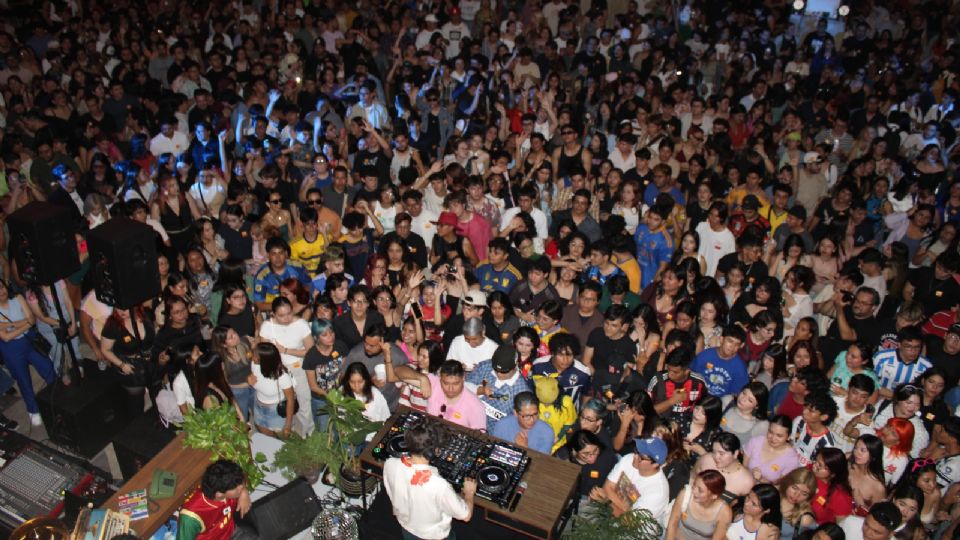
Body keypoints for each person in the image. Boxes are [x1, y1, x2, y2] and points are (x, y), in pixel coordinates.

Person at [383, 419, 478, 540]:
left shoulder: (390, 464)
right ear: (436, 450)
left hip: (406, 529)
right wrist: (469, 493)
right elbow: (466, 516)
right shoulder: (439, 485)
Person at [0, 280, 55, 426]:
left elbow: (31, 319)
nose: (1, 291)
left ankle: (57, 397)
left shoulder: (17, 298)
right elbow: (6, 337)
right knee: (23, 380)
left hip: (29, 341)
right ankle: (33, 409)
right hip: (11, 349)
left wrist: (9, 326)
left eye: (1, 287)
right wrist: (22, 324)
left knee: (48, 367)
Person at [176, 460, 252, 540]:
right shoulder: (190, 518)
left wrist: (244, 492)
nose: (242, 486)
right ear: (219, 494)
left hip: (231, 531)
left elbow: (240, 481)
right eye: (237, 488)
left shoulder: (226, 488)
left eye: (241, 483)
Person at [603, 436, 671, 522]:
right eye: (636, 451)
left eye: (641, 457)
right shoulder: (628, 459)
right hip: (610, 514)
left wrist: (606, 501)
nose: (635, 456)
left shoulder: (658, 492)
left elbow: (630, 522)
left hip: (635, 533)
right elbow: (607, 487)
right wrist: (625, 508)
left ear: (655, 464)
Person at [465, 344, 532, 429]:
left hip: (495, 436)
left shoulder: (522, 392)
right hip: (468, 423)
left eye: (504, 371)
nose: (499, 374)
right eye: (496, 370)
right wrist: (480, 390)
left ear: (515, 366)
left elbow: (521, 425)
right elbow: (461, 386)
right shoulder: (486, 366)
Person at [665, 469, 733, 540]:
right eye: (694, 485)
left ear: (714, 496)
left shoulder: (724, 512)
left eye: (700, 490)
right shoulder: (686, 494)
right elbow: (672, 523)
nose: (694, 491)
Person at [250, 343, 296, 438]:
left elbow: (290, 400)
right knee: (264, 431)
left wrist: (288, 425)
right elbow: (254, 380)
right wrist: (248, 379)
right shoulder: (254, 364)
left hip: (275, 410)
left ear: (264, 360)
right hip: (258, 405)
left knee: (281, 436)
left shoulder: (282, 377)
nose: (252, 356)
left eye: (255, 355)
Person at [691, 325, 749, 398]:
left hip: (720, 401)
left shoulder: (740, 368)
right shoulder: (705, 355)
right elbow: (692, 374)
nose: (732, 346)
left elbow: (736, 393)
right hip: (699, 394)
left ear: (742, 345)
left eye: (737, 344)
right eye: (730, 341)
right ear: (721, 339)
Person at [743, 415, 801, 483]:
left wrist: (761, 479)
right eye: (770, 432)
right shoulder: (755, 442)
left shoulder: (792, 459)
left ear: (788, 437)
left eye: (779, 436)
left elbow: (779, 485)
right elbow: (744, 466)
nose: (773, 438)